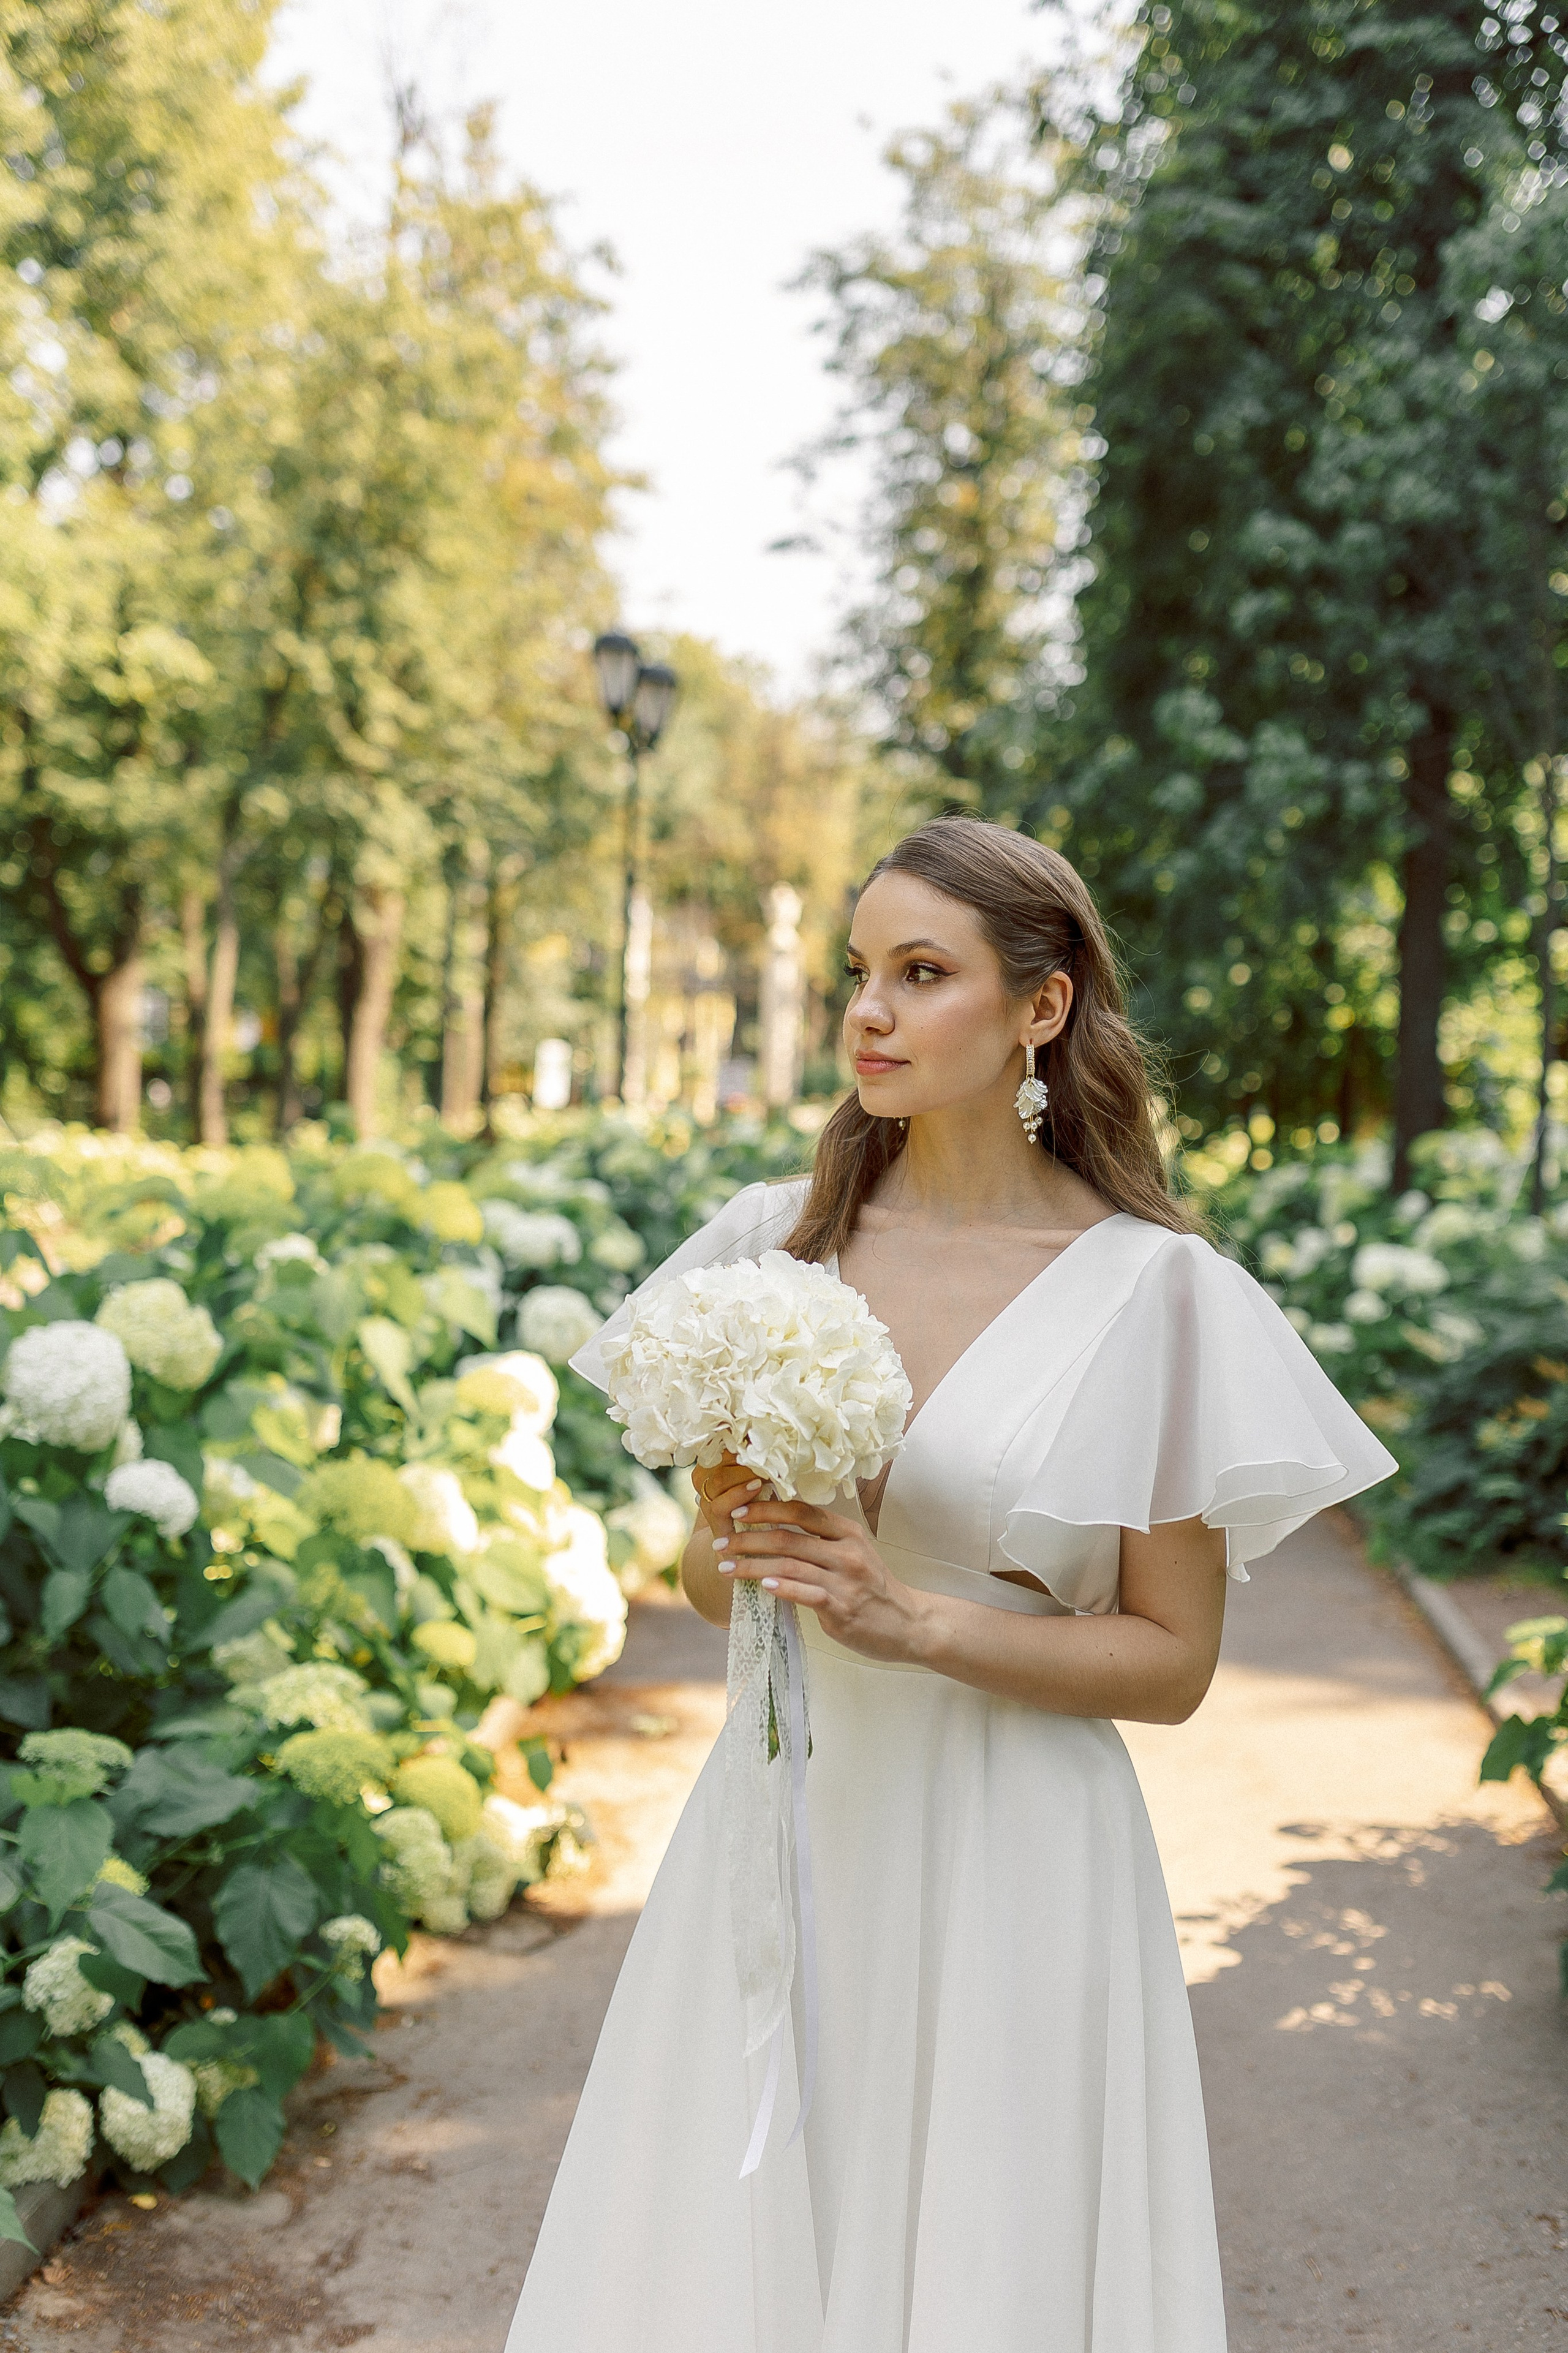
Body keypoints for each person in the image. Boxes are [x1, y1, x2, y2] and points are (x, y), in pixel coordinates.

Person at [505, 815, 1394, 2353]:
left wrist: (914, 1618)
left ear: (1039, 1007)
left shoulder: (1157, 1292)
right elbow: (714, 1597)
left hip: (1017, 1846)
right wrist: (747, 1531)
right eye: (858, 972)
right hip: (790, 1818)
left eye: (923, 973)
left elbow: (1173, 1662)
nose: (868, 1011)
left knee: (995, 2261)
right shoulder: (770, 1251)